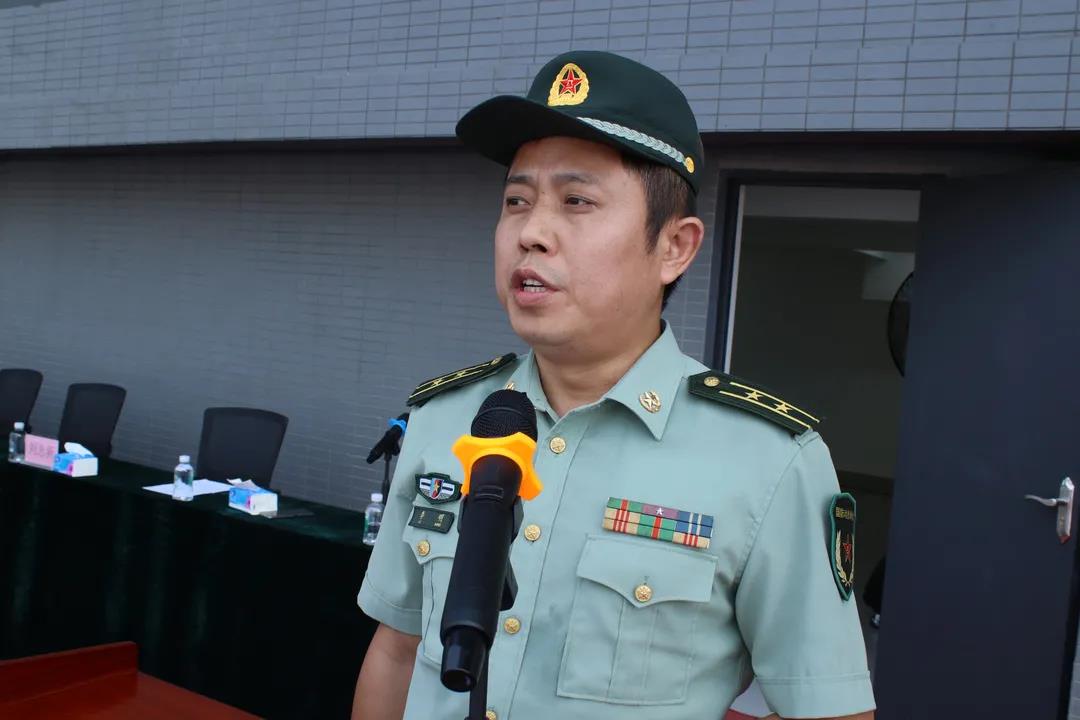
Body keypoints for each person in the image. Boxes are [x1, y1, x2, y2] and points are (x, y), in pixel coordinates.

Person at [352, 50, 875, 720]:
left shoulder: (770, 463)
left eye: (577, 201)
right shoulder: (445, 419)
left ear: (674, 247)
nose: (530, 233)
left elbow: (830, 709)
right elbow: (397, 650)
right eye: (516, 201)